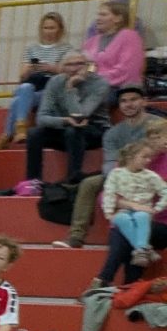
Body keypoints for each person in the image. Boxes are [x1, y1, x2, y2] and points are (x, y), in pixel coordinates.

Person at [60, 89, 165, 248]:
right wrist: (121, 178)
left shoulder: (158, 125)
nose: (128, 104)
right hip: (121, 172)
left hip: (153, 171)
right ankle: (76, 236)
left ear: (144, 101)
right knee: (89, 183)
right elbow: (110, 161)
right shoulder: (113, 133)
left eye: (133, 99)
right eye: (123, 101)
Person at [26, 52, 112, 185]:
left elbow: (80, 116)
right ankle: (32, 182)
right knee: (34, 133)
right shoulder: (55, 82)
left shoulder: (100, 83)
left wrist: (70, 87)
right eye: (69, 65)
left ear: (87, 66)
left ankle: (72, 183)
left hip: (96, 129)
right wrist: (64, 121)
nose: (74, 68)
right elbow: (41, 118)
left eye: (79, 64)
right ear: (62, 67)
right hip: (65, 127)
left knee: (73, 131)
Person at [0, 11, 72, 149]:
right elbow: (22, 77)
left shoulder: (66, 48)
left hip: (52, 88)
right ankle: (20, 129)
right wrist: (30, 68)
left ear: (60, 29)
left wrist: (51, 68)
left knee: (17, 100)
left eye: (52, 28)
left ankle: (7, 136)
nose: (48, 31)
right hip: (33, 85)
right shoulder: (31, 48)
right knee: (25, 87)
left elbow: (69, 72)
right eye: (45, 28)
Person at [99, 141, 166, 280]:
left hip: (148, 215)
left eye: (149, 157)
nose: (148, 160)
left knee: (140, 217)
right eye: (144, 157)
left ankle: (107, 279)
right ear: (130, 157)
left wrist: (157, 208)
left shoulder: (150, 176)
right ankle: (144, 249)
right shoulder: (117, 173)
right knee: (121, 220)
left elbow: (165, 191)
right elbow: (108, 193)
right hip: (125, 213)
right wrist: (109, 212)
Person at [84, 0, 144, 101]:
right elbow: (90, 66)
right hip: (94, 85)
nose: (97, 18)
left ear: (118, 18)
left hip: (120, 88)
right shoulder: (91, 42)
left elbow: (127, 71)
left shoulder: (129, 36)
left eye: (103, 15)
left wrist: (96, 78)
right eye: (98, 15)